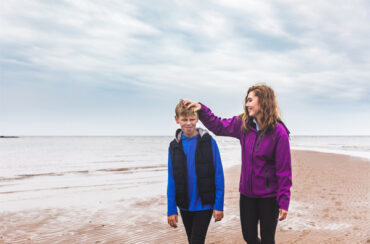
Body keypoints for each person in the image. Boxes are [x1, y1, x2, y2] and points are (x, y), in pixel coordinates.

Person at [184, 84, 292, 244]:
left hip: (269, 197)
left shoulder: (279, 132)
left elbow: (284, 170)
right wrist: (201, 109)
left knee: (268, 239)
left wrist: (284, 200)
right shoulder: (243, 125)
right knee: (249, 236)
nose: (247, 104)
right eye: (246, 100)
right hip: (247, 195)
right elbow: (218, 125)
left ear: (263, 101)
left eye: (250, 100)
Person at [167, 100, 225, 244]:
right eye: (184, 119)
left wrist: (218, 205)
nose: (188, 123)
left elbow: (219, 174)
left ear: (197, 119)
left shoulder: (209, 142)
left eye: (192, 119)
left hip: (205, 203)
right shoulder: (174, 146)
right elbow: (172, 179)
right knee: (192, 240)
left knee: (196, 241)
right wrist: (171, 209)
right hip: (185, 204)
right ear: (177, 120)